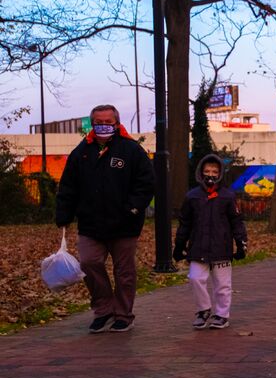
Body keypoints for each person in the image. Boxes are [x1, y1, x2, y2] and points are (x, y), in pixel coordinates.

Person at [55, 105, 155, 334]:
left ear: (116, 122)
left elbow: (146, 182)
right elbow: (69, 186)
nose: (103, 125)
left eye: (108, 121)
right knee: (89, 263)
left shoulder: (131, 150)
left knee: (124, 272)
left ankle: (123, 314)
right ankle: (103, 309)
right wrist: (64, 214)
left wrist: (133, 208)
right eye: (98, 121)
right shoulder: (81, 152)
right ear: (92, 123)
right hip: (91, 224)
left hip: (125, 224)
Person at [173, 154, 247, 330]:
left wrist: (241, 243)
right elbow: (185, 223)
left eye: (214, 171)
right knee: (195, 278)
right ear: (200, 173)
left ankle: (222, 314)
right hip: (198, 248)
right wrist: (179, 245)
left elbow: (236, 222)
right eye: (207, 171)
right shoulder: (192, 197)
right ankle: (203, 309)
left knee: (222, 285)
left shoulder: (227, 196)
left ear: (220, 173)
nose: (210, 174)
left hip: (221, 248)